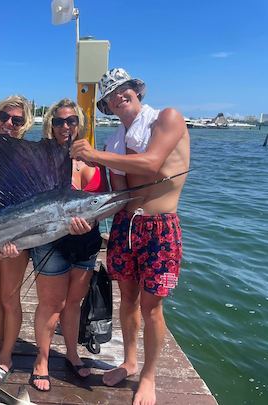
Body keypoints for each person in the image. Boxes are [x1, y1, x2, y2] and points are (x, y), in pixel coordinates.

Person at [70, 68, 190, 405]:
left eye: (125, 90)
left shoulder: (166, 118)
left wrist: (93, 156)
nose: (120, 96)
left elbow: (152, 164)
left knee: (152, 307)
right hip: (126, 227)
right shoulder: (115, 142)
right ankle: (129, 362)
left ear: (137, 91)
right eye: (112, 94)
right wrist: (81, 216)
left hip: (159, 226)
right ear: (107, 104)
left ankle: (148, 377)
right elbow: (120, 194)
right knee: (128, 300)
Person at [28, 99, 107, 392]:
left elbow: (106, 201)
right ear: (50, 124)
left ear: (80, 124)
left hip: (87, 242)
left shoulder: (95, 158)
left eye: (71, 121)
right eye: (59, 121)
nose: (65, 126)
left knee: (73, 303)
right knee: (51, 304)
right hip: (52, 242)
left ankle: (72, 354)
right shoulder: (42, 160)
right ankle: (42, 360)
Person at [0, 95, 34, 385]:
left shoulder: (25, 155)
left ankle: (6, 356)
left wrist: (16, 239)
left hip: (14, 238)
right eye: (4, 116)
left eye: (17, 120)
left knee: (9, 297)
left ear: (25, 125)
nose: (8, 124)